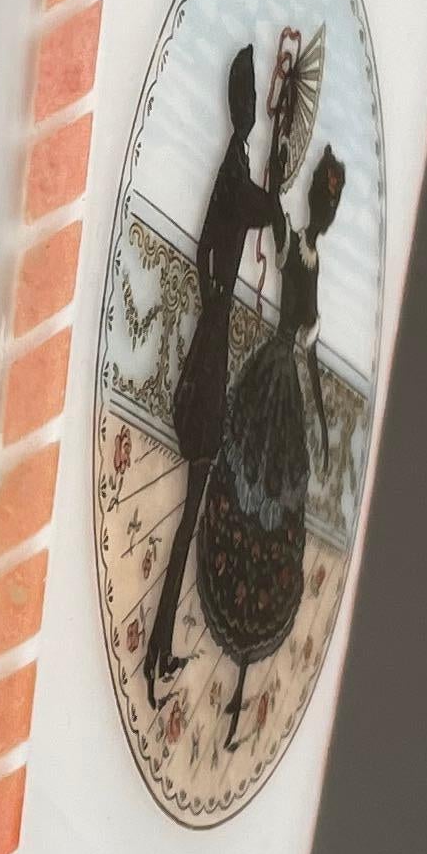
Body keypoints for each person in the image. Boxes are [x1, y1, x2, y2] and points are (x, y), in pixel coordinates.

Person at [143, 41, 282, 700]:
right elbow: (248, 214)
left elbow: (239, 223)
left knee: (190, 519)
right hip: (209, 357)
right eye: (247, 102)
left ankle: (160, 645)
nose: (249, 111)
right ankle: (158, 647)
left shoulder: (237, 167)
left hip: (212, 342)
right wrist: (275, 198)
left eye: (252, 103)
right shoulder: (231, 166)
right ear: (238, 108)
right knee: (190, 514)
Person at [198, 141, 346, 743]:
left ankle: (240, 682)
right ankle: (232, 668)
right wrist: (281, 155)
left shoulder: (313, 257)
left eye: (326, 207)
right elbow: (276, 216)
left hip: (283, 380)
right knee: (246, 491)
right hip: (271, 373)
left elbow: (310, 350)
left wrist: (322, 422)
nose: (322, 216)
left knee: (276, 506)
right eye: (323, 203)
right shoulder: (294, 242)